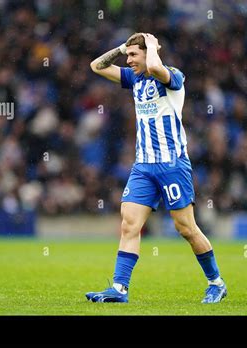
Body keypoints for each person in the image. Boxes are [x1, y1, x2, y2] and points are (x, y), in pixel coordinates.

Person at [86, 33, 227, 303]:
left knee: (185, 228)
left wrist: (151, 46)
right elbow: (97, 66)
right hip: (143, 166)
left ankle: (216, 282)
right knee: (129, 224)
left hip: (172, 164)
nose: (129, 61)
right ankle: (119, 289)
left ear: (149, 52)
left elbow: (154, 68)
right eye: (128, 56)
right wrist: (120, 47)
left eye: (133, 55)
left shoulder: (173, 76)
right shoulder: (134, 78)